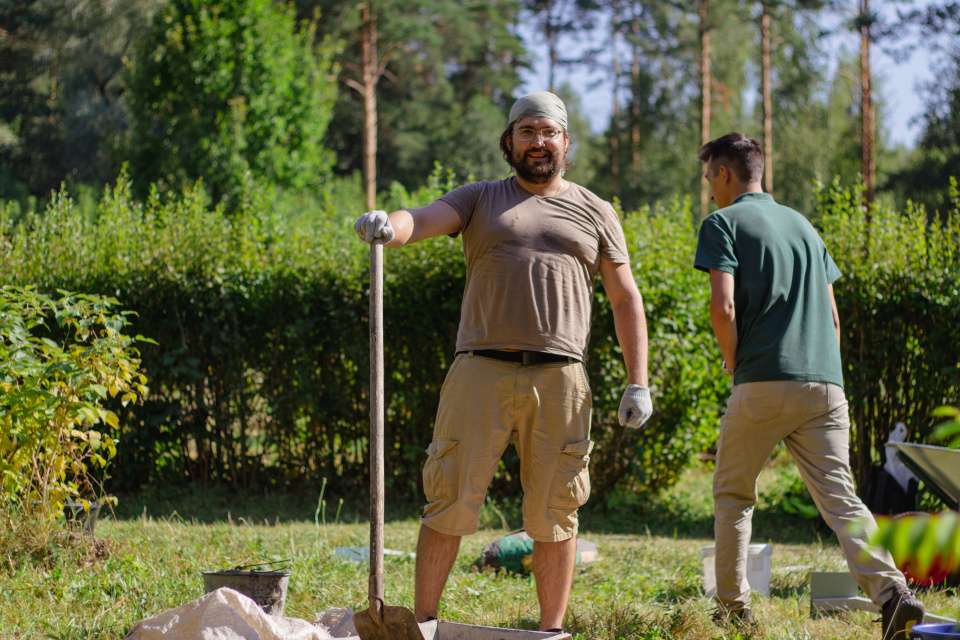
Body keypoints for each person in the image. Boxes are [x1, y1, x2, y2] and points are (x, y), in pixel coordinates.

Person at [354, 91, 653, 632]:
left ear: (566, 142)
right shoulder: (480, 198)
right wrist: (388, 227)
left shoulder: (596, 210)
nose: (538, 142)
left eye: (548, 131)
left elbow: (625, 297)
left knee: (556, 511)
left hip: (561, 377)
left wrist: (639, 382)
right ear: (509, 141)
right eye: (526, 131)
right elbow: (419, 219)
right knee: (448, 500)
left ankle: (550, 632)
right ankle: (425, 625)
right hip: (479, 371)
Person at [693, 132, 925, 639]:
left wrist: (734, 363)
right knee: (841, 497)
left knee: (733, 495)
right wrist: (822, 376)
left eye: (710, 178)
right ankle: (894, 594)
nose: (709, 189)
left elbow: (723, 307)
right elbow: (834, 320)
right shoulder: (804, 226)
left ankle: (732, 609)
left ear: (725, 174)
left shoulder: (721, 223)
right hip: (825, 383)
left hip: (762, 379)